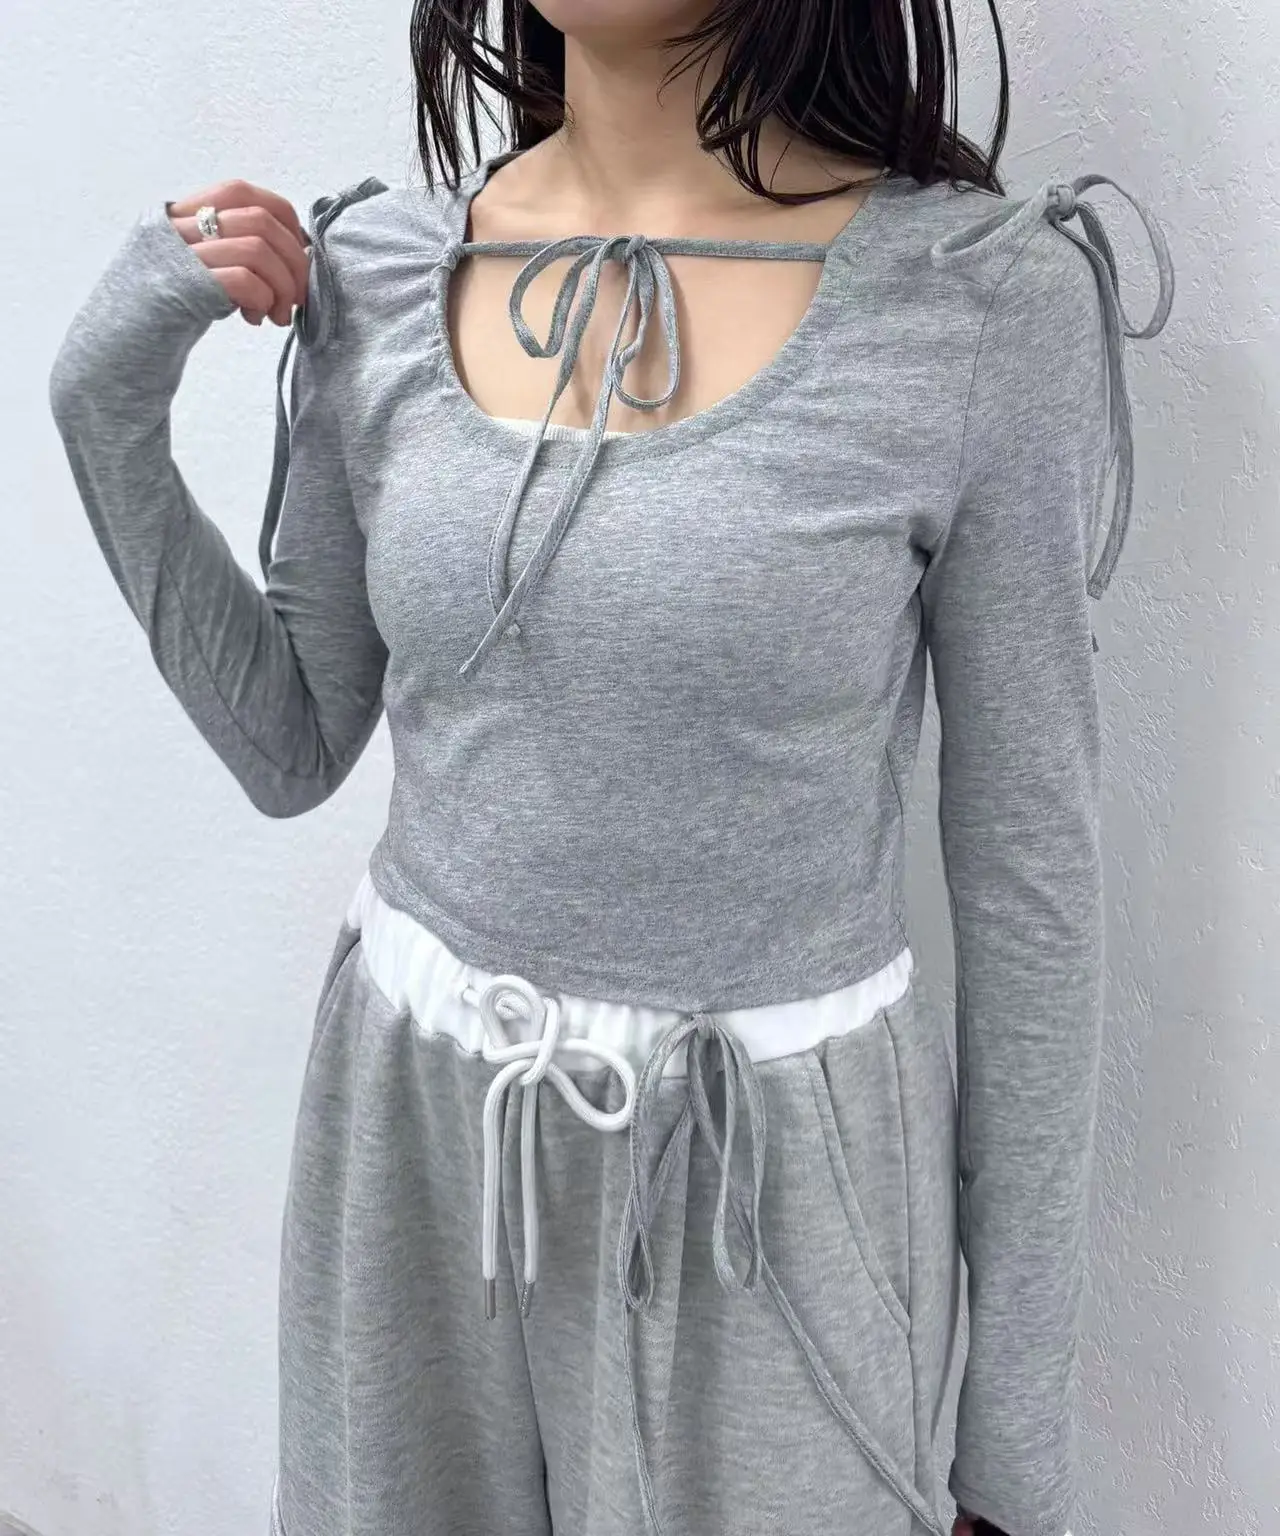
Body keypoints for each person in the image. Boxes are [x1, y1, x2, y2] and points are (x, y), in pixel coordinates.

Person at [47, 1, 1174, 1533]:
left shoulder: (979, 304)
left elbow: (1030, 887)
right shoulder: (383, 269)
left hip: (768, 1203)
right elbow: (292, 743)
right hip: (413, 1152)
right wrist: (104, 405)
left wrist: (1016, 1456)